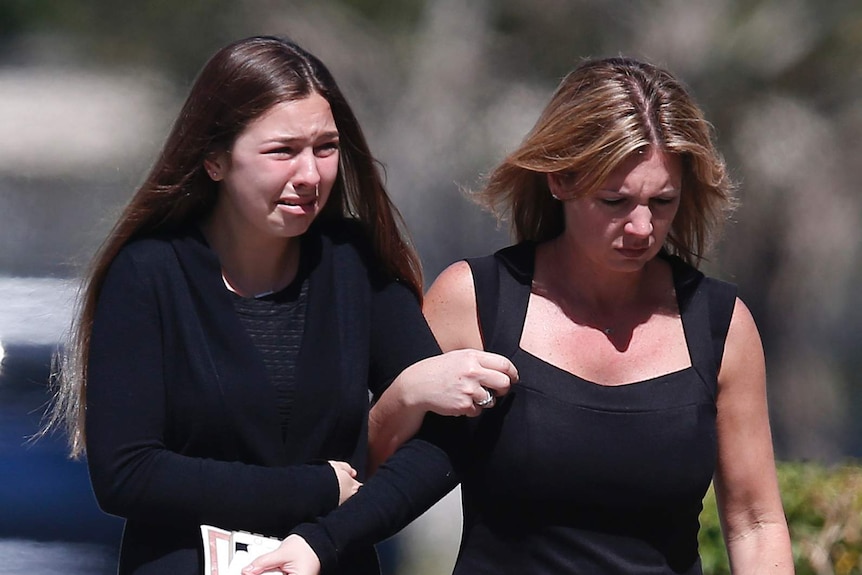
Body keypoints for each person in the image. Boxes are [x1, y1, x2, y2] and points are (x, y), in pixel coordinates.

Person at [244, 57, 794, 575]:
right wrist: (406, 393)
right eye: (615, 201)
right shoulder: (476, 300)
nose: (642, 229)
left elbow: (755, 521)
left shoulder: (722, 323)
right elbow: (370, 477)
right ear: (560, 180)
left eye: (662, 202)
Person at [43, 35, 518, 575]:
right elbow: (128, 474)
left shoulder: (354, 264)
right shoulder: (149, 273)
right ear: (215, 160)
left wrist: (326, 540)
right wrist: (315, 488)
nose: (311, 175)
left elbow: (444, 442)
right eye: (282, 150)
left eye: (326, 148)